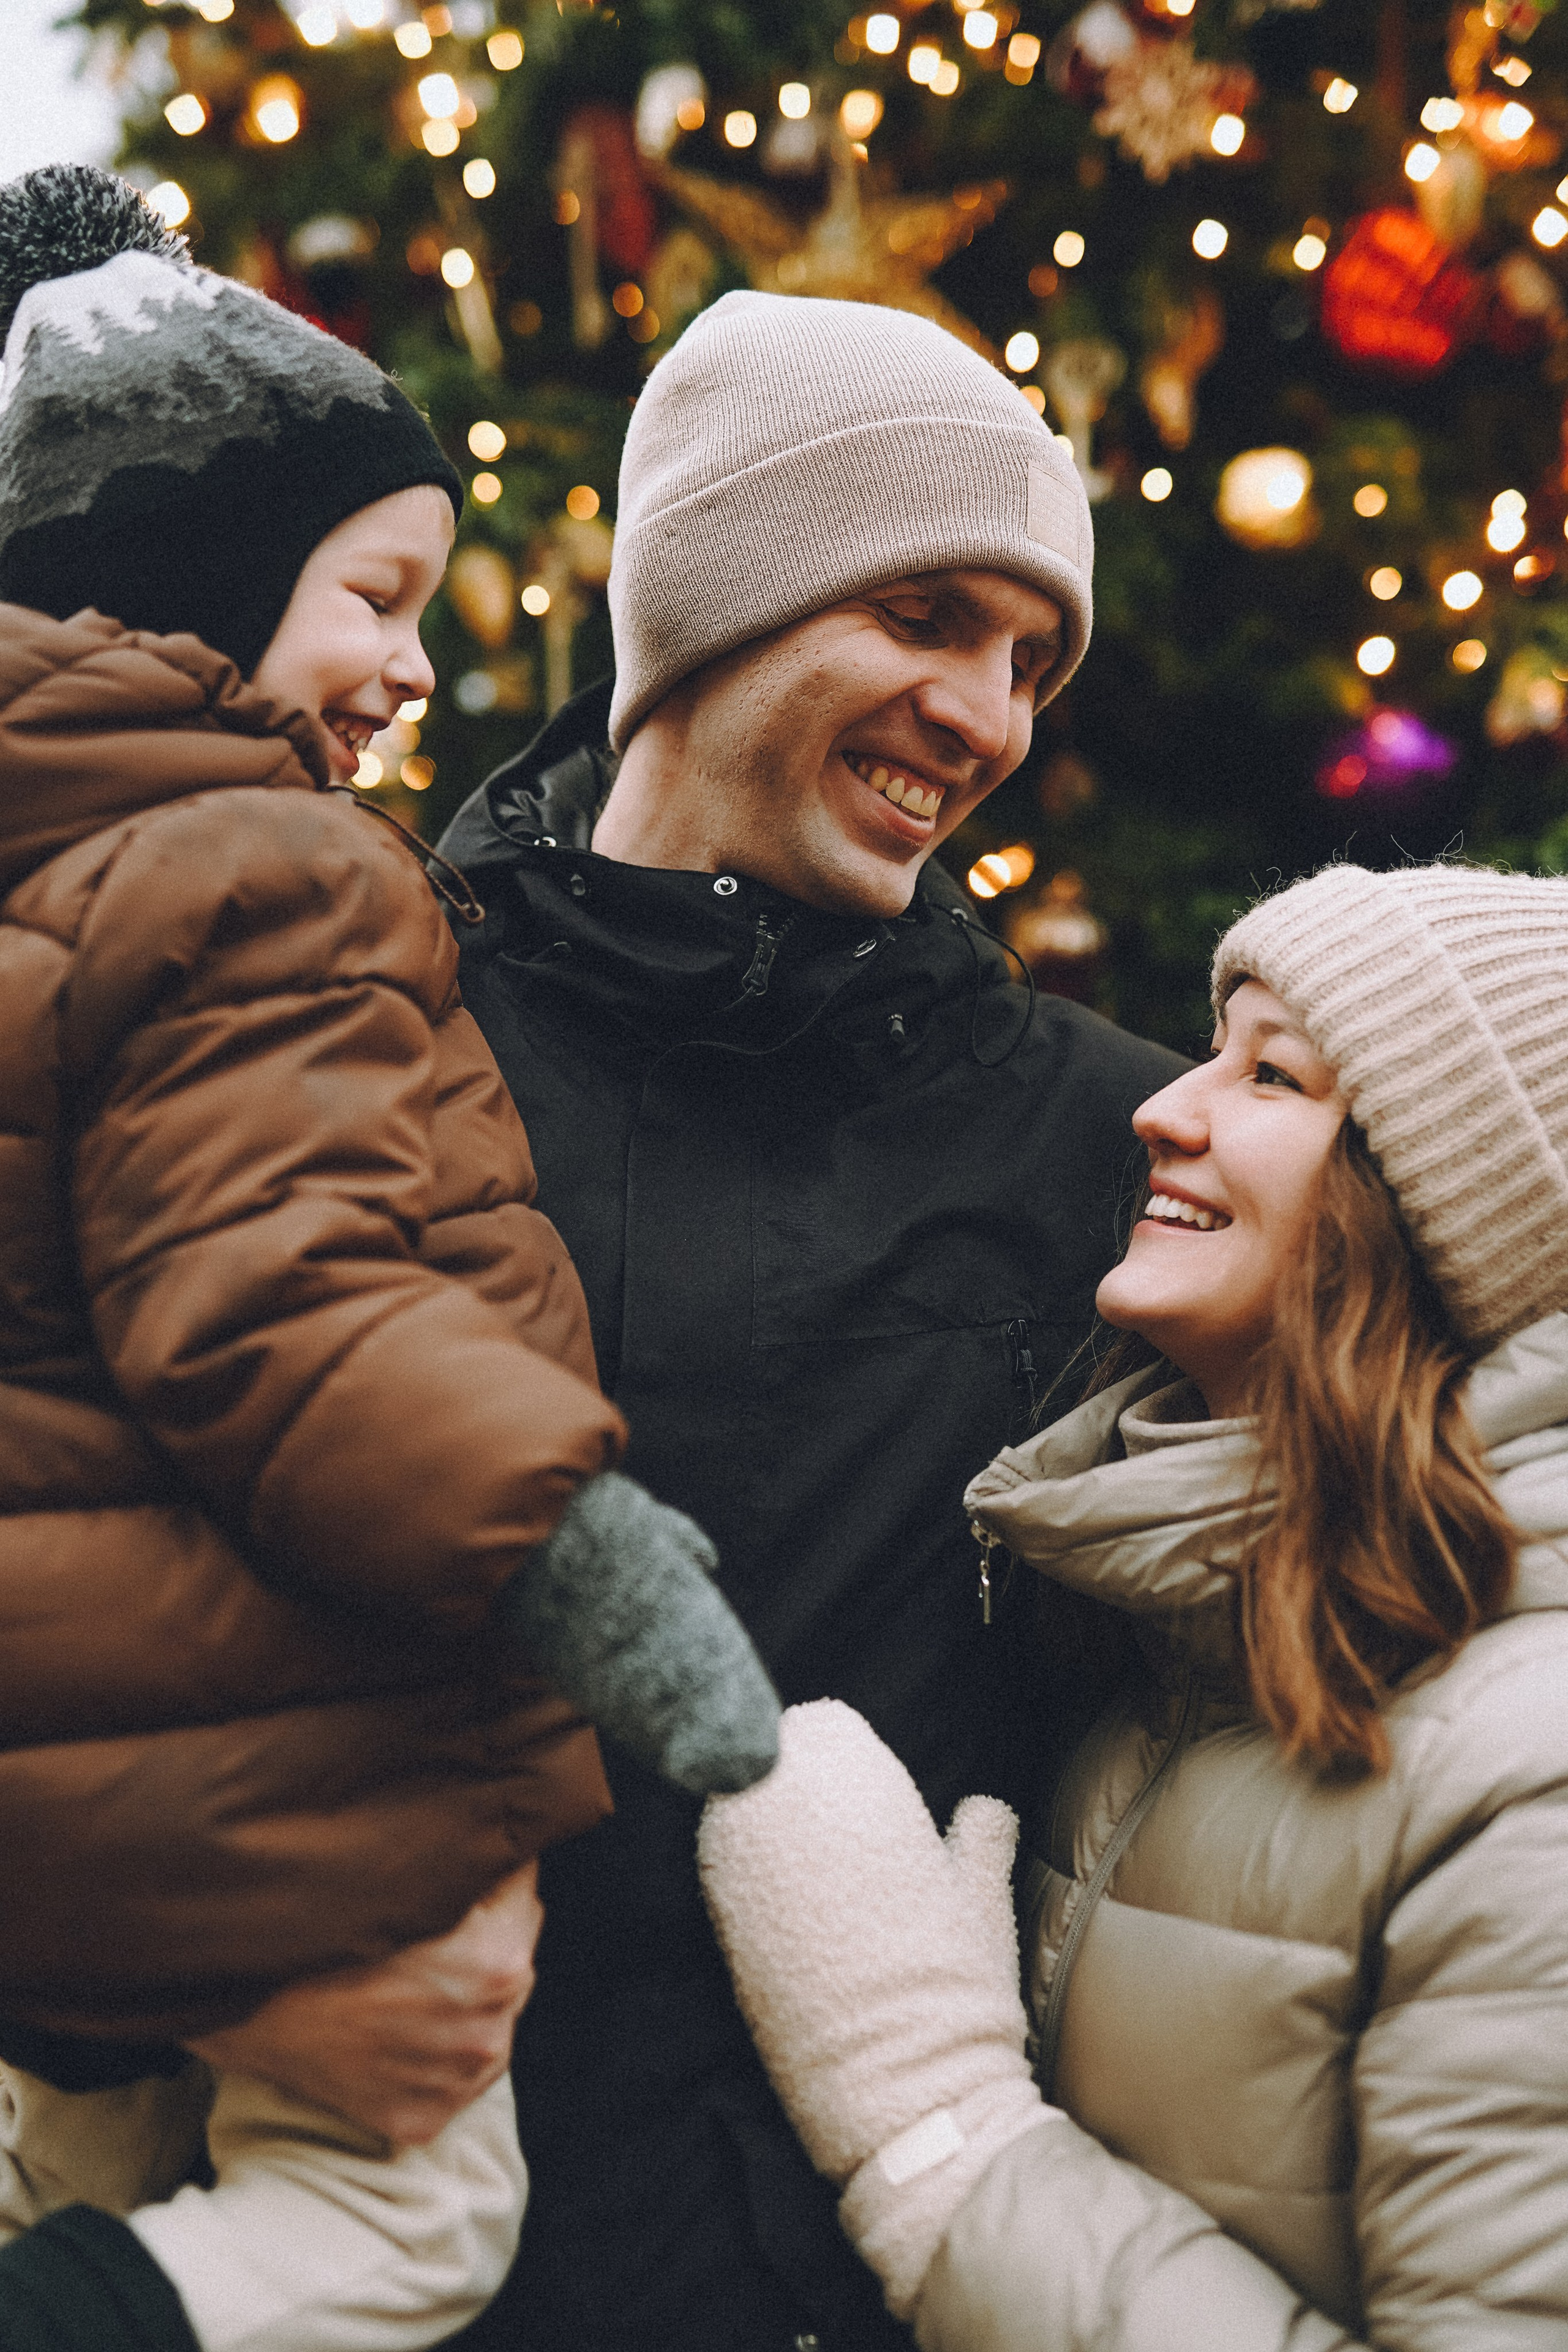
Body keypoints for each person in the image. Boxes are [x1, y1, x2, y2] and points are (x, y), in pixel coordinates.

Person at [0, 166, 778, 2351]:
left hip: (79, 1802)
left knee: (81, 2177)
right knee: (395, 2225)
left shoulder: (48, 858)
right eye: (376, 595)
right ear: (197, 583)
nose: (419, 670)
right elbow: (289, 1303)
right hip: (281, 1780)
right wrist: (580, 1557)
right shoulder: (261, 868)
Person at [436, 288, 1182, 2351]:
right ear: (709, 610)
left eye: (1032, 660)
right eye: (931, 616)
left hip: (868, 2283)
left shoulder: (1110, 1133)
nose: (995, 717)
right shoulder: (361, 1044)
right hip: (397, 2244)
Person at [699, 858, 1568, 2351]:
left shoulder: (1525, 1774)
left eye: (1271, 1076)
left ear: (1437, 1212)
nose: (1164, 1106)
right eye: (1210, 1049)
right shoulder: (1192, 1627)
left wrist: (941, 2132)